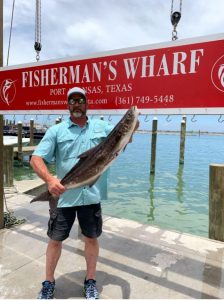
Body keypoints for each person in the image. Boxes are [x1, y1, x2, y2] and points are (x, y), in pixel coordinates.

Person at [30, 87, 139, 299]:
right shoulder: (57, 131)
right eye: (73, 101)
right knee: (55, 240)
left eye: (81, 100)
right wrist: (50, 180)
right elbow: (36, 158)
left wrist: (132, 127)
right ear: (68, 105)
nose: (77, 104)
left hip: (91, 195)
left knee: (91, 238)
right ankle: (49, 283)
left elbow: (125, 138)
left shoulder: (103, 126)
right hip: (64, 196)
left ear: (87, 103)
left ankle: (90, 281)